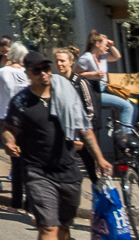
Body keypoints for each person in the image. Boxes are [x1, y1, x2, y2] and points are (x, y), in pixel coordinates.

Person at [2, 51, 112, 240]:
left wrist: (99, 158)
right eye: (37, 70)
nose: (44, 73)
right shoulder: (21, 101)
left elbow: (84, 128)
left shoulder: (65, 94)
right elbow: (8, 128)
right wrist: (8, 142)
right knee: (47, 227)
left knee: (63, 228)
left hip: (68, 171)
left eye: (46, 68)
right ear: (28, 73)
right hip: (38, 172)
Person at [53, 48, 99, 183]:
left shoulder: (81, 83)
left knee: (94, 172)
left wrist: (82, 135)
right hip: (65, 136)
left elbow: (91, 111)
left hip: (83, 135)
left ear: (71, 62)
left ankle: (103, 199)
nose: (59, 64)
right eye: (57, 61)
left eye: (62, 61)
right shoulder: (56, 84)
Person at [0, 41, 30, 209]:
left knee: (17, 161)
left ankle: (17, 202)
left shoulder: (3, 72)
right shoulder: (24, 73)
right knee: (24, 161)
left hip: (11, 120)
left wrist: (2, 117)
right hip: (25, 120)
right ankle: (26, 202)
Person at [76, 31, 136, 132]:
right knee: (127, 106)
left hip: (104, 89)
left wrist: (112, 46)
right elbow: (75, 75)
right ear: (97, 44)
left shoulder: (102, 57)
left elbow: (117, 57)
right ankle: (125, 137)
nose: (107, 47)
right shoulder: (87, 58)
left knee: (133, 106)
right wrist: (92, 74)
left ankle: (126, 132)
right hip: (94, 93)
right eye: (105, 45)